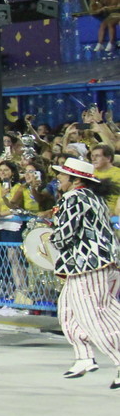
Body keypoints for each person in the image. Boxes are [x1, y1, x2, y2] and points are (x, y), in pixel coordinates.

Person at [47, 158, 120, 388]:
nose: (58, 177)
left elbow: (64, 234)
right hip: (97, 262)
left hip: (87, 263)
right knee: (68, 310)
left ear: (75, 179)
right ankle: (84, 357)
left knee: (93, 314)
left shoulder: (74, 198)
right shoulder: (93, 197)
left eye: (62, 174)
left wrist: (49, 236)